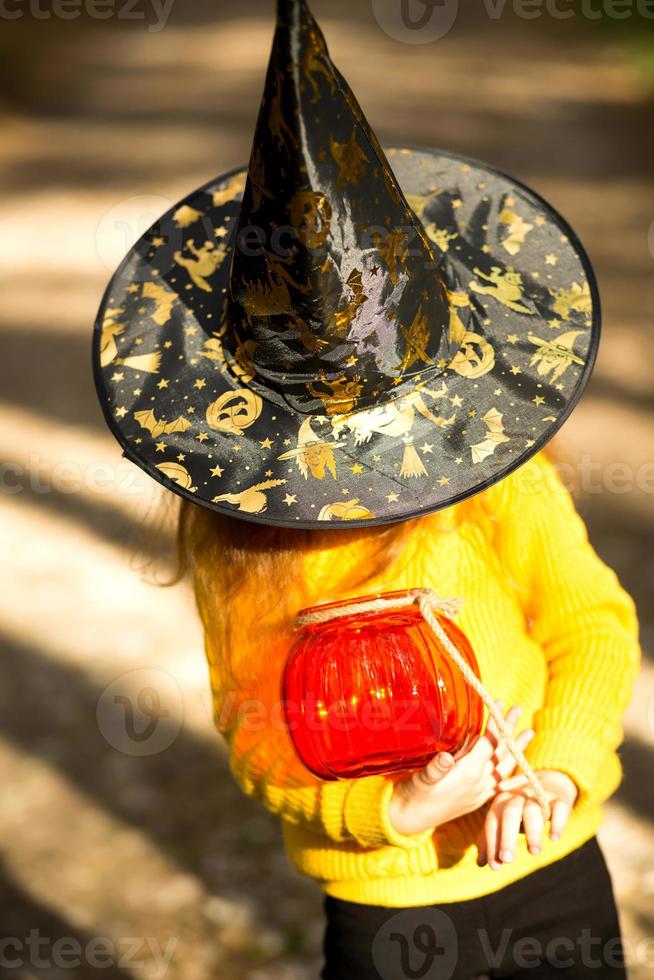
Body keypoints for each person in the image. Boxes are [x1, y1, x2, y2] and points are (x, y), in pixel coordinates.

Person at [92, 2, 641, 977]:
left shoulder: (487, 470)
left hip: (552, 868)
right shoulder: (246, 539)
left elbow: (587, 619)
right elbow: (259, 733)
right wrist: (391, 811)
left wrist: (554, 768)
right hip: (385, 899)